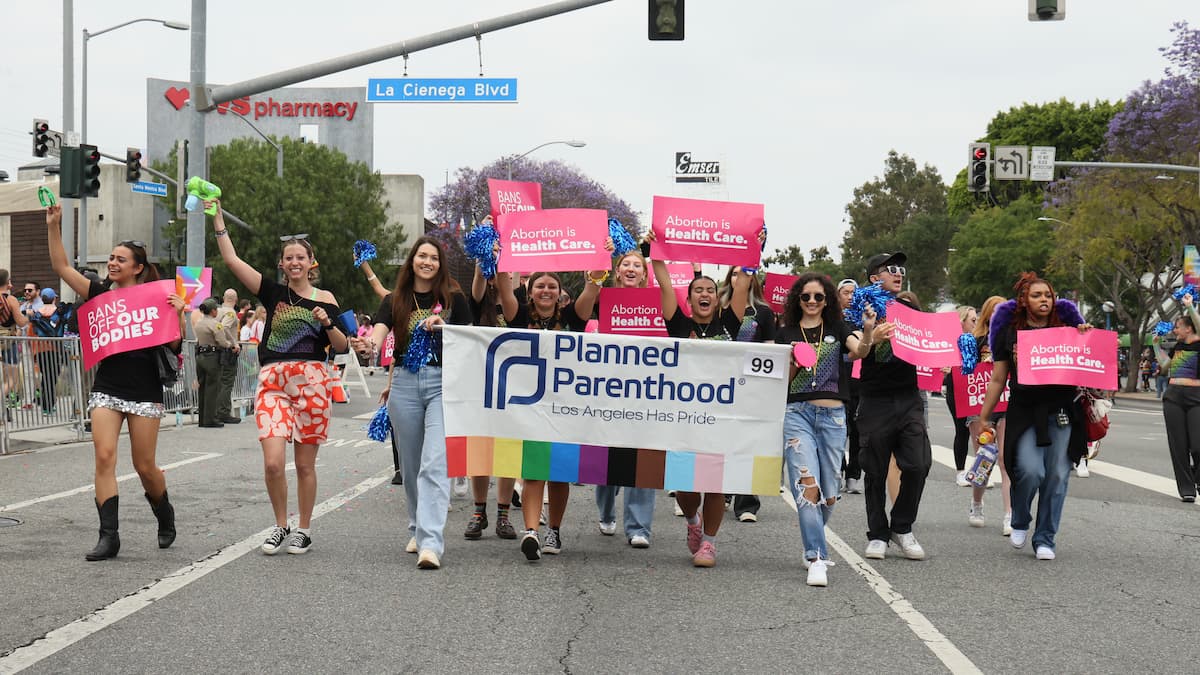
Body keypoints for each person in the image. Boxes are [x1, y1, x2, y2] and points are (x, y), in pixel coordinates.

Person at [209, 202, 350, 557]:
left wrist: (327, 323)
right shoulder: (272, 292)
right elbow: (232, 261)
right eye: (289, 257)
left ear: (310, 263)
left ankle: (303, 528)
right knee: (273, 461)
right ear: (282, 264)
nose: (295, 262)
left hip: (313, 381)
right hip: (273, 380)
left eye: (301, 257)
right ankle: (279, 525)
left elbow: (343, 346)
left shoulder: (325, 298)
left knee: (304, 464)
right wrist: (218, 219)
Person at [46, 204, 186, 560]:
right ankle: (109, 536)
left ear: (137, 268)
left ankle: (164, 513)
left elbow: (172, 345)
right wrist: (54, 226)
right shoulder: (98, 293)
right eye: (111, 258)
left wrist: (179, 314)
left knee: (144, 466)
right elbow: (62, 267)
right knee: (104, 456)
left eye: (120, 259)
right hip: (108, 386)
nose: (112, 263)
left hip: (144, 388)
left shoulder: (159, 298)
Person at [352, 236, 473, 570]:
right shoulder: (395, 299)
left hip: (442, 385)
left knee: (435, 463)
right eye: (422, 256)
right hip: (404, 383)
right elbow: (378, 334)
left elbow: (470, 339)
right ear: (412, 261)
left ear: (440, 264)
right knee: (411, 467)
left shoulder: (454, 299)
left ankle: (431, 543)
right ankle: (418, 527)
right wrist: (367, 347)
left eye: (433, 258)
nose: (427, 262)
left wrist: (444, 326)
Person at [649, 237, 752, 568]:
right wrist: (655, 253)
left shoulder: (730, 322)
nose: (705, 294)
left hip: (722, 415)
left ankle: (708, 542)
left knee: (715, 483)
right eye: (698, 290)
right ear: (689, 298)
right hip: (683, 416)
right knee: (686, 485)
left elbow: (744, 282)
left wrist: (753, 248)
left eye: (710, 289)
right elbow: (663, 281)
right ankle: (692, 522)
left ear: (716, 297)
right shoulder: (678, 324)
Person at [979, 272, 1092, 561]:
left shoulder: (1069, 329)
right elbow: (997, 379)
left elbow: (1088, 366)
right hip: (1025, 411)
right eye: (1037, 295)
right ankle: (1019, 519)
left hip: (1062, 411)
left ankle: (1045, 538)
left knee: (1057, 475)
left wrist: (1087, 337)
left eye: (1048, 295)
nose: (1044, 300)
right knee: (1030, 471)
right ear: (1024, 301)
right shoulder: (1011, 334)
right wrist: (985, 415)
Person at [495, 264, 603, 561]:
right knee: (533, 470)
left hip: (566, 405)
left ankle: (553, 529)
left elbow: (592, 289)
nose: (546, 290)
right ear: (530, 292)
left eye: (552, 287)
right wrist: (499, 253)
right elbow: (503, 286)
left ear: (560, 294)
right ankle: (531, 531)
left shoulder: (572, 317)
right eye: (540, 286)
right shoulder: (517, 315)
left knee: (559, 474)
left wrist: (600, 262)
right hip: (528, 406)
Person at [777, 273, 876, 586]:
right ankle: (816, 556)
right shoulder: (786, 333)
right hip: (797, 414)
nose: (811, 302)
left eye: (818, 297)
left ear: (827, 301)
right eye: (805, 297)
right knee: (807, 487)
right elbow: (781, 379)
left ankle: (813, 540)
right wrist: (793, 357)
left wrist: (869, 331)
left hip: (833, 416)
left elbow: (859, 351)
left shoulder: (837, 328)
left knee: (829, 494)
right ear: (797, 300)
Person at [856, 253, 932, 561]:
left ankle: (902, 527)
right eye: (892, 269)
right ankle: (877, 534)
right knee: (874, 468)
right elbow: (853, 350)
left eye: (902, 268)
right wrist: (871, 335)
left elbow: (929, 342)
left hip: (908, 397)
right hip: (875, 398)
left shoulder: (910, 309)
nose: (899, 273)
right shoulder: (860, 307)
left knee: (918, 464)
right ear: (875, 277)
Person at [594, 250, 658, 547]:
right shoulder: (602, 299)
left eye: (638, 265)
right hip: (609, 392)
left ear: (645, 274)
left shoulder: (657, 305)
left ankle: (639, 528)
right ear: (617, 272)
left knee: (644, 458)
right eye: (626, 265)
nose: (632, 269)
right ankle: (606, 512)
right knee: (609, 461)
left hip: (646, 391)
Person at [461, 249, 518, 542]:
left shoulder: (516, 303)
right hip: (480, 385)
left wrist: (507, 276)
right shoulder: (476, 302)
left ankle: (504, 514)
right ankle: (479, 511)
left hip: (513, 389)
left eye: (505, 270)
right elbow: (479, 282)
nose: (499, 274)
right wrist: (484, 250)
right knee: (480, 450)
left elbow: (510, 311)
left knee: (508, 450)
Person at [719, 264, 777, 523]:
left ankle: (746, 503)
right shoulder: (718, 308)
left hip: (752, 386)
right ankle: (720, 493)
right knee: (721, 441)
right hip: (719, 385)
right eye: (734, 273)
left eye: (743, 273)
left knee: (747, 442)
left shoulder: (764, 312)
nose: (738, 278)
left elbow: (770, 350)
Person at [966, 296, 1012, 533]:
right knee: (984, 457)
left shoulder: (1013, 338)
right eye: (994, 311)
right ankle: (976, 503)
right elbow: (965, 372)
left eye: (1002, 311)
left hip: (1006, 404)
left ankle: (1009, 515)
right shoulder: (975, 339)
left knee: (1006, 460)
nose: (998, 315)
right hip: (979, 405)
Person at [1157, 293, 1200, 502]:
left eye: (1178, 327)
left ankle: (1197, 477)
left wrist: (1190, 307)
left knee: (1198, 445)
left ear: (1188, 328)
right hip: (1173, 396)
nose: (1175, 330)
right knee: (1178, 445)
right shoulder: (1177, 347)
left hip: (1196, 398)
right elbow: (1165, 369)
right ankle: (1187, 489)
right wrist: (1157, 345)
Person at [945, 306, 978, 487]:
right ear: (962, 321)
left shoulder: (978, 340)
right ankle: (960, 471)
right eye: (972, 320)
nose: (976, 323)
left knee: (980, 429)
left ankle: (978, 470)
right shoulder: (952, 341)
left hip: (975, 387)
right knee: (962, 429)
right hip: (957, 387)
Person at [837, 279, 865, 494]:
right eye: (845, 292)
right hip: (838, 379)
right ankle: (838, 468)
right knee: (839, 428)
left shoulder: (864, 319)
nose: (849, 296)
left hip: (859, 381)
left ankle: (854, 474)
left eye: (853, 293)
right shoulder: (833, 319)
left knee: (858, 430)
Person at [193, 298, 233, 428]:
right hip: (212, 356)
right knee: (212, 388)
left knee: (203, 387)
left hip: (200, 356)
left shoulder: (198, 323)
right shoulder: (216, 324)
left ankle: (202, 419)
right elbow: (222, 341)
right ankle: (211, 419)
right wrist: (231, 345)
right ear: (213, 311)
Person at [29, 287, 70, 415]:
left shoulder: (35, 314)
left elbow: (31, 333)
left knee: (46, 377)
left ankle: (46, 403)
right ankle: (48, 405)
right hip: (56, 349)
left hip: (40, 350)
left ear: (42, 298)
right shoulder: (58, 313)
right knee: (51, 378)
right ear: (54, 298)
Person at [0, 269, 31, 408]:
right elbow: (21, 322)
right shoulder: (11, 299)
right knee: (11, 380)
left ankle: (3, 411)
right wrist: (29, 316)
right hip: (7, 342)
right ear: (7, 282)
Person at [215, 289, 242, 424]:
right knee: (227, 382)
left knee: (219, 381)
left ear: (224, 298)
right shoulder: (231, 313)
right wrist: (234, 343)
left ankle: (216, 410)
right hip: (228, 350)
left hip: (217, 349)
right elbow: (224, 327)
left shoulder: (217, 311)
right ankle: (223, 412)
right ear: (235, 300)